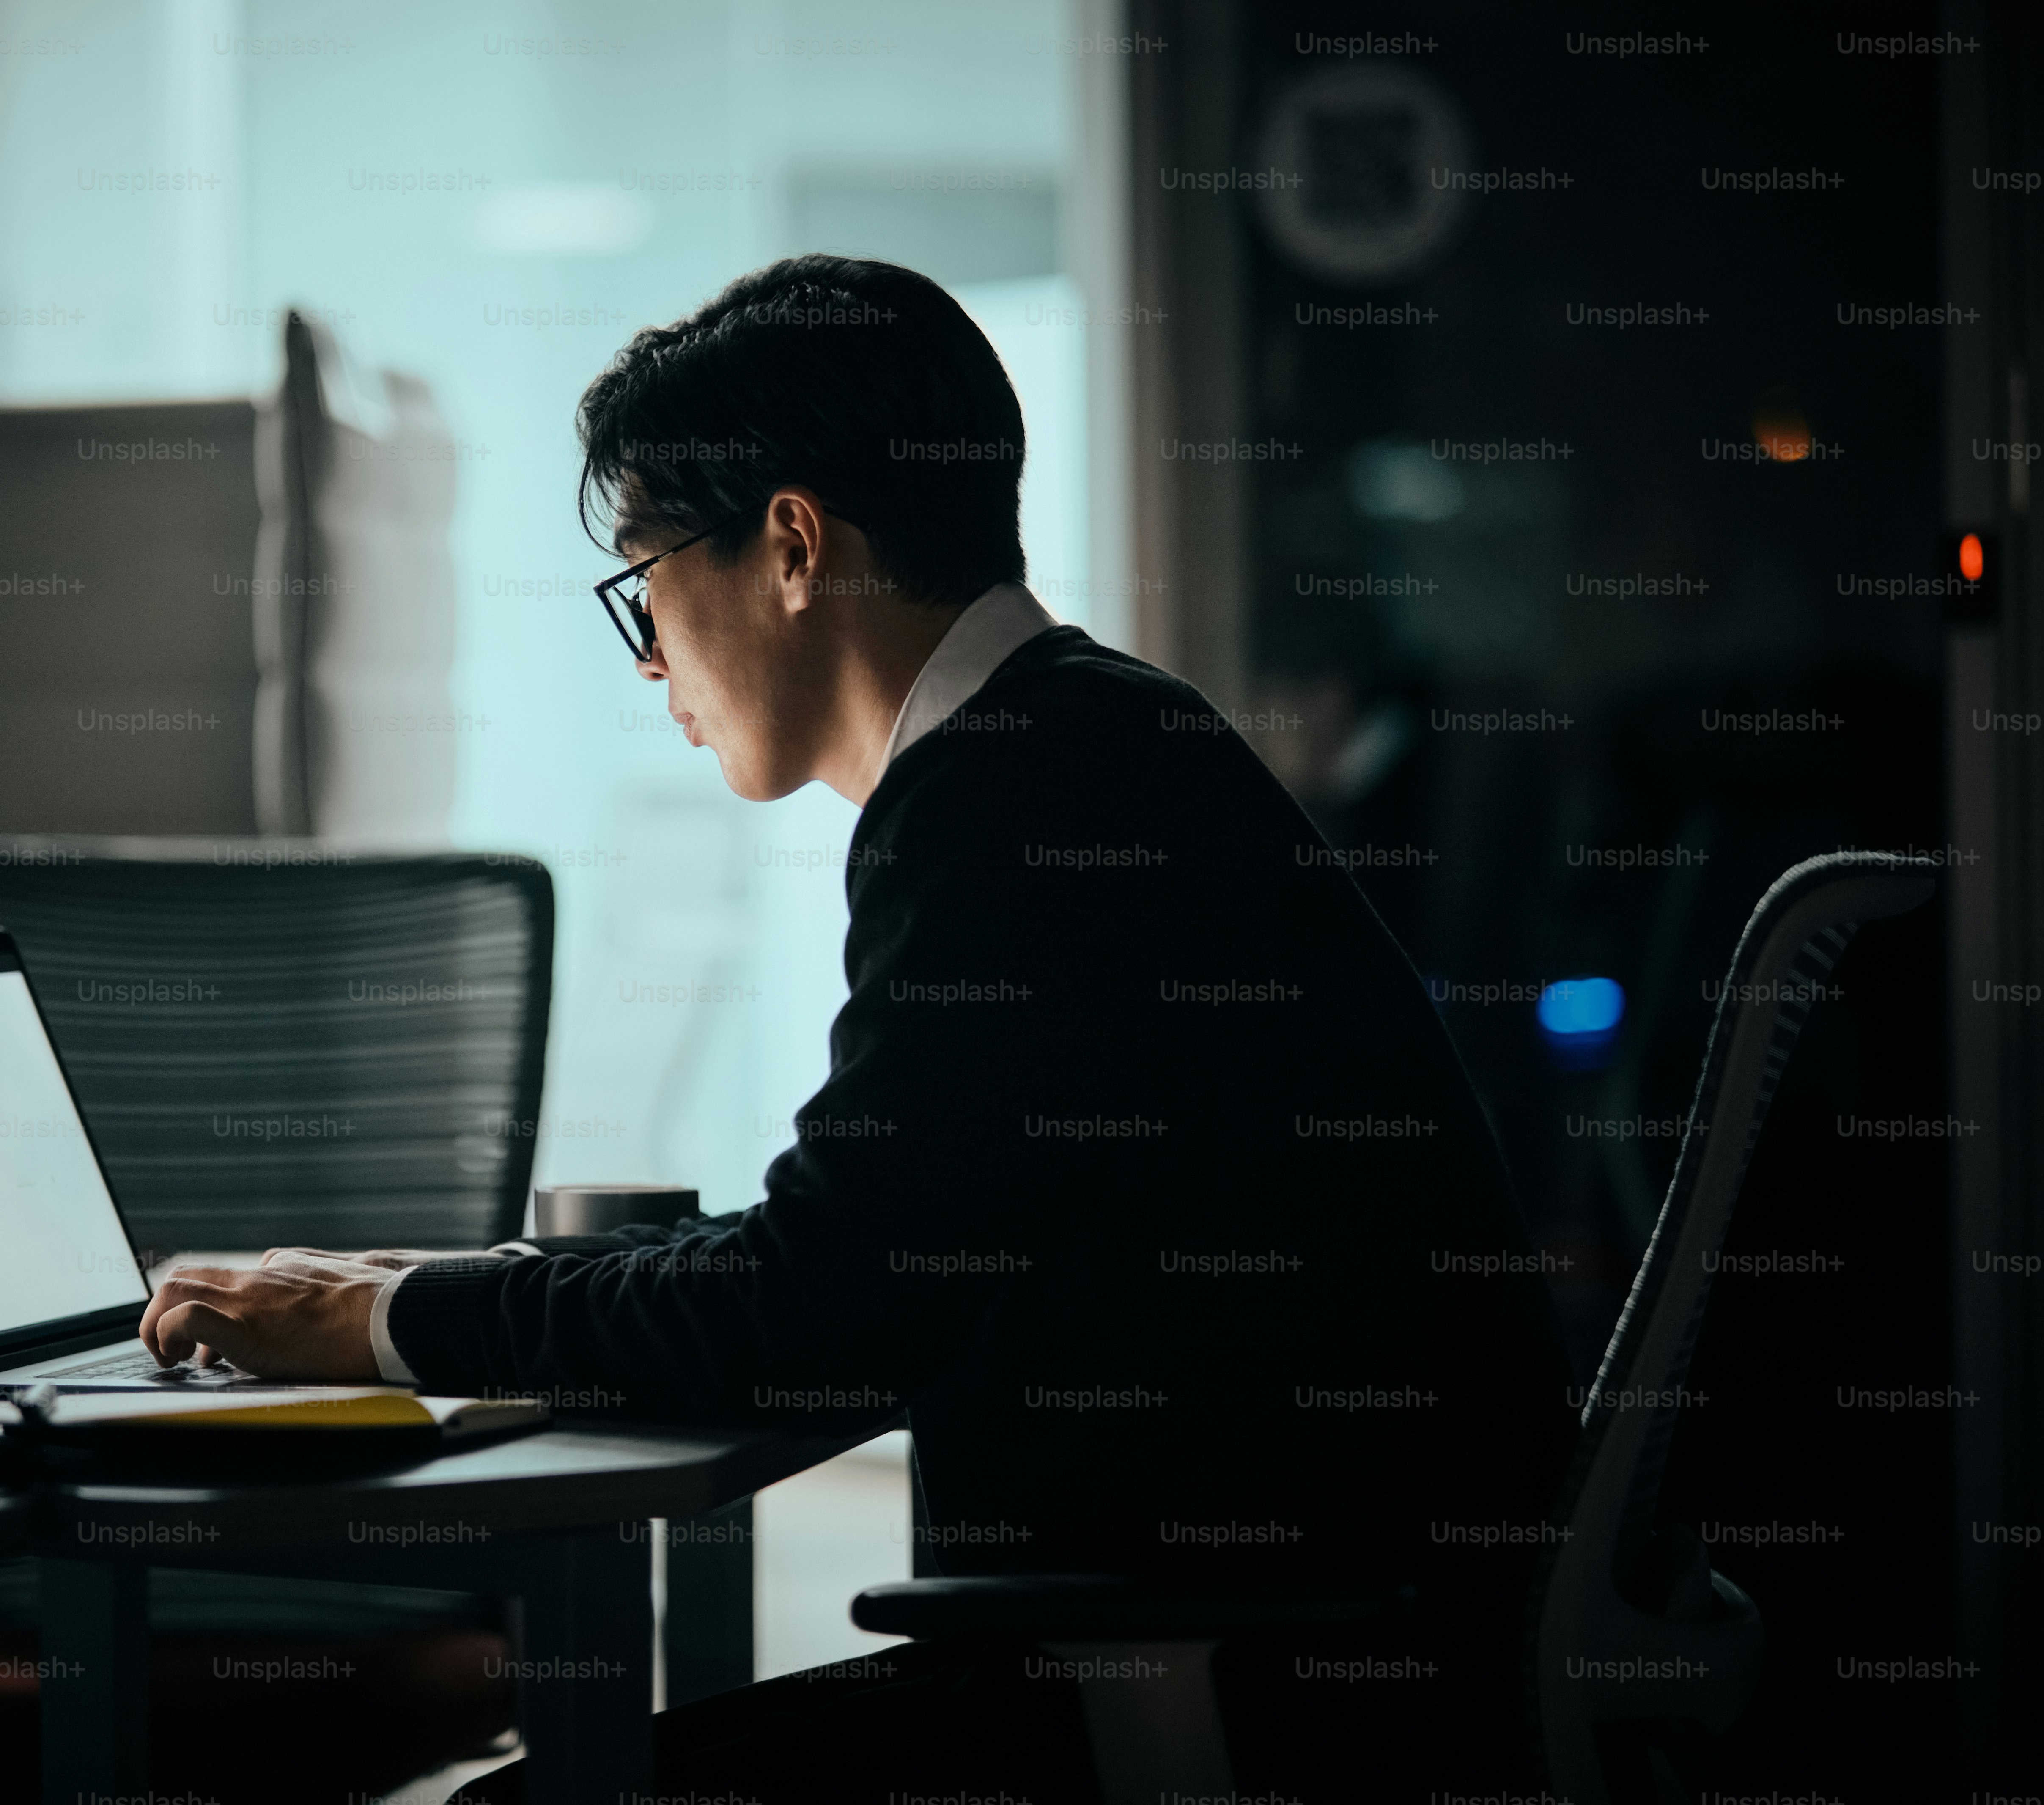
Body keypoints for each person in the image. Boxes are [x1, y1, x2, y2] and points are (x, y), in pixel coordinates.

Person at [139, 256, 1578, 1800]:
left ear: (793, 544)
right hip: (1328, 1653)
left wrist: (387, 1324)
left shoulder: (1012, 797)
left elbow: (818, 1303)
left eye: (648, 585)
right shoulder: (1083, 738)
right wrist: (454, 1285)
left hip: (1255, 1693)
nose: (648, 663)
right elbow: (872, 1239)